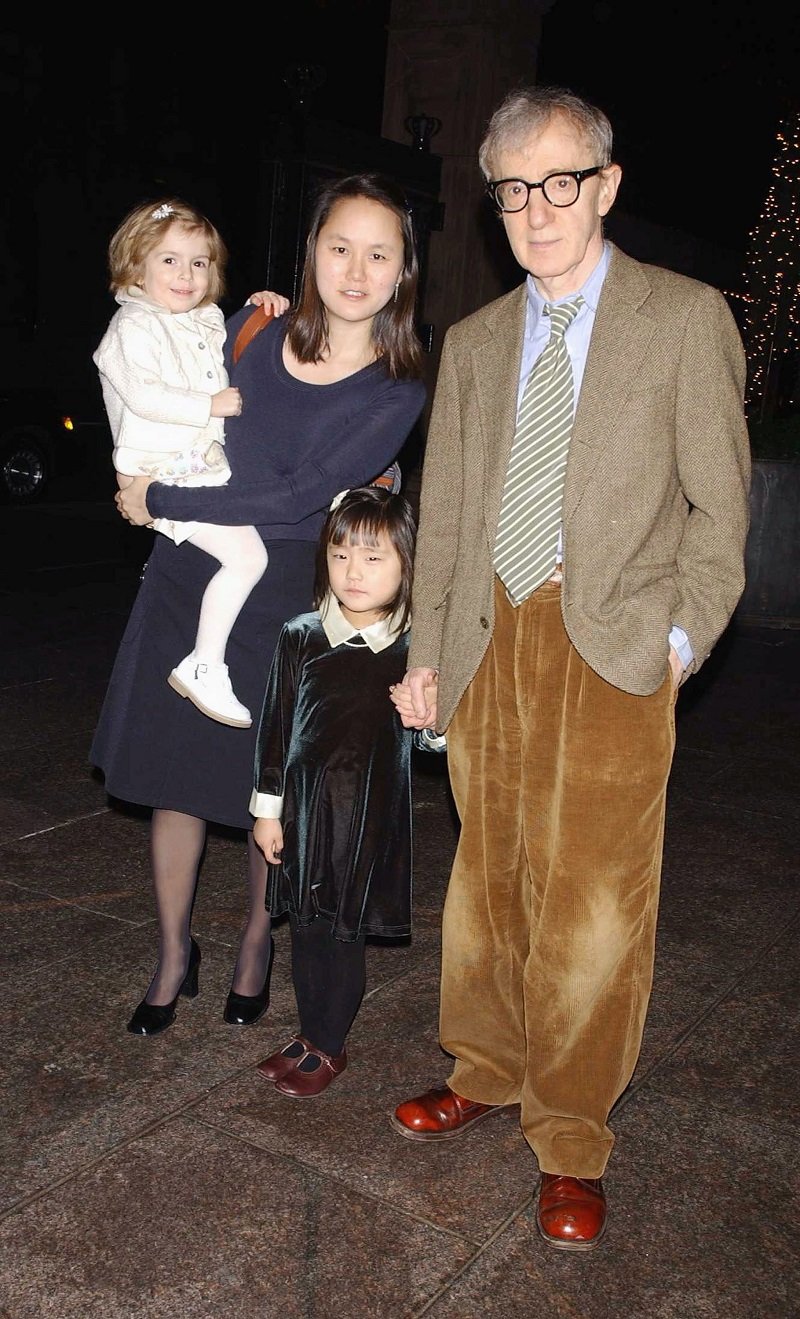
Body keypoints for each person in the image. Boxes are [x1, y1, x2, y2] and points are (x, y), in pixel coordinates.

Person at [389, 85, 751, 1251]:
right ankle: (487, 1064)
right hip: (488, 635)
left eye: (558, 182)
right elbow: (441, 518)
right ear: (493, 201)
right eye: (511, 189)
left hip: (608, 644)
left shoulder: (683, 316)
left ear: (602, 185)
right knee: (484, 879)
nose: (535, 209)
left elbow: (718, 512)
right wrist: (426, 655)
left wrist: (677, 641)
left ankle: (571, 1135)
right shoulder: (476, 339)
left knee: (595, 904)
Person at [90, 172, 427, 1038]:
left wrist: (161, 498)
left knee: (261, 787)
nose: (356, 269)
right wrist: (162, 492)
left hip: (283, 590)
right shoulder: (250, 325)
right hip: (195, 569)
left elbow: (301, 494)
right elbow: (156, 367)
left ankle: (251, 941)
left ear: (402, 271)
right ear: (310, 251)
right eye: (339, 246)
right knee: (174, 777)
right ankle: (171, 953)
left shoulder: (398, 387)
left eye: (378, 253)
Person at [251, 486, 438, 1097]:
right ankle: (307, 1031)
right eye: (340, 555)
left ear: (407, 565)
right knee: (304, 923)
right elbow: (275, 725)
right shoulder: (301, 634)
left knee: (343, 928)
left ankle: (330, 1043)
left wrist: (428, 717)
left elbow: (441, 736)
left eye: (374, 558)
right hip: (304, 809)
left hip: (366, 814)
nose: (353, 572)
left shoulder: (414, 649)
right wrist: (268, 809)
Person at [93, 197, 290, 729]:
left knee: (246, 551)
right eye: (169, 260)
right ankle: (205, 663)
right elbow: (142, 393)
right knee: (248, 559)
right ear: (137, 265)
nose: (186, 274)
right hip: (162, 470)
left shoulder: (199, 320)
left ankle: (204, 657)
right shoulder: (132, 326)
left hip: (200, 465)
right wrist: (209, 405)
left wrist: (259, 308)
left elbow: (233, 351)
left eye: (199, 263)